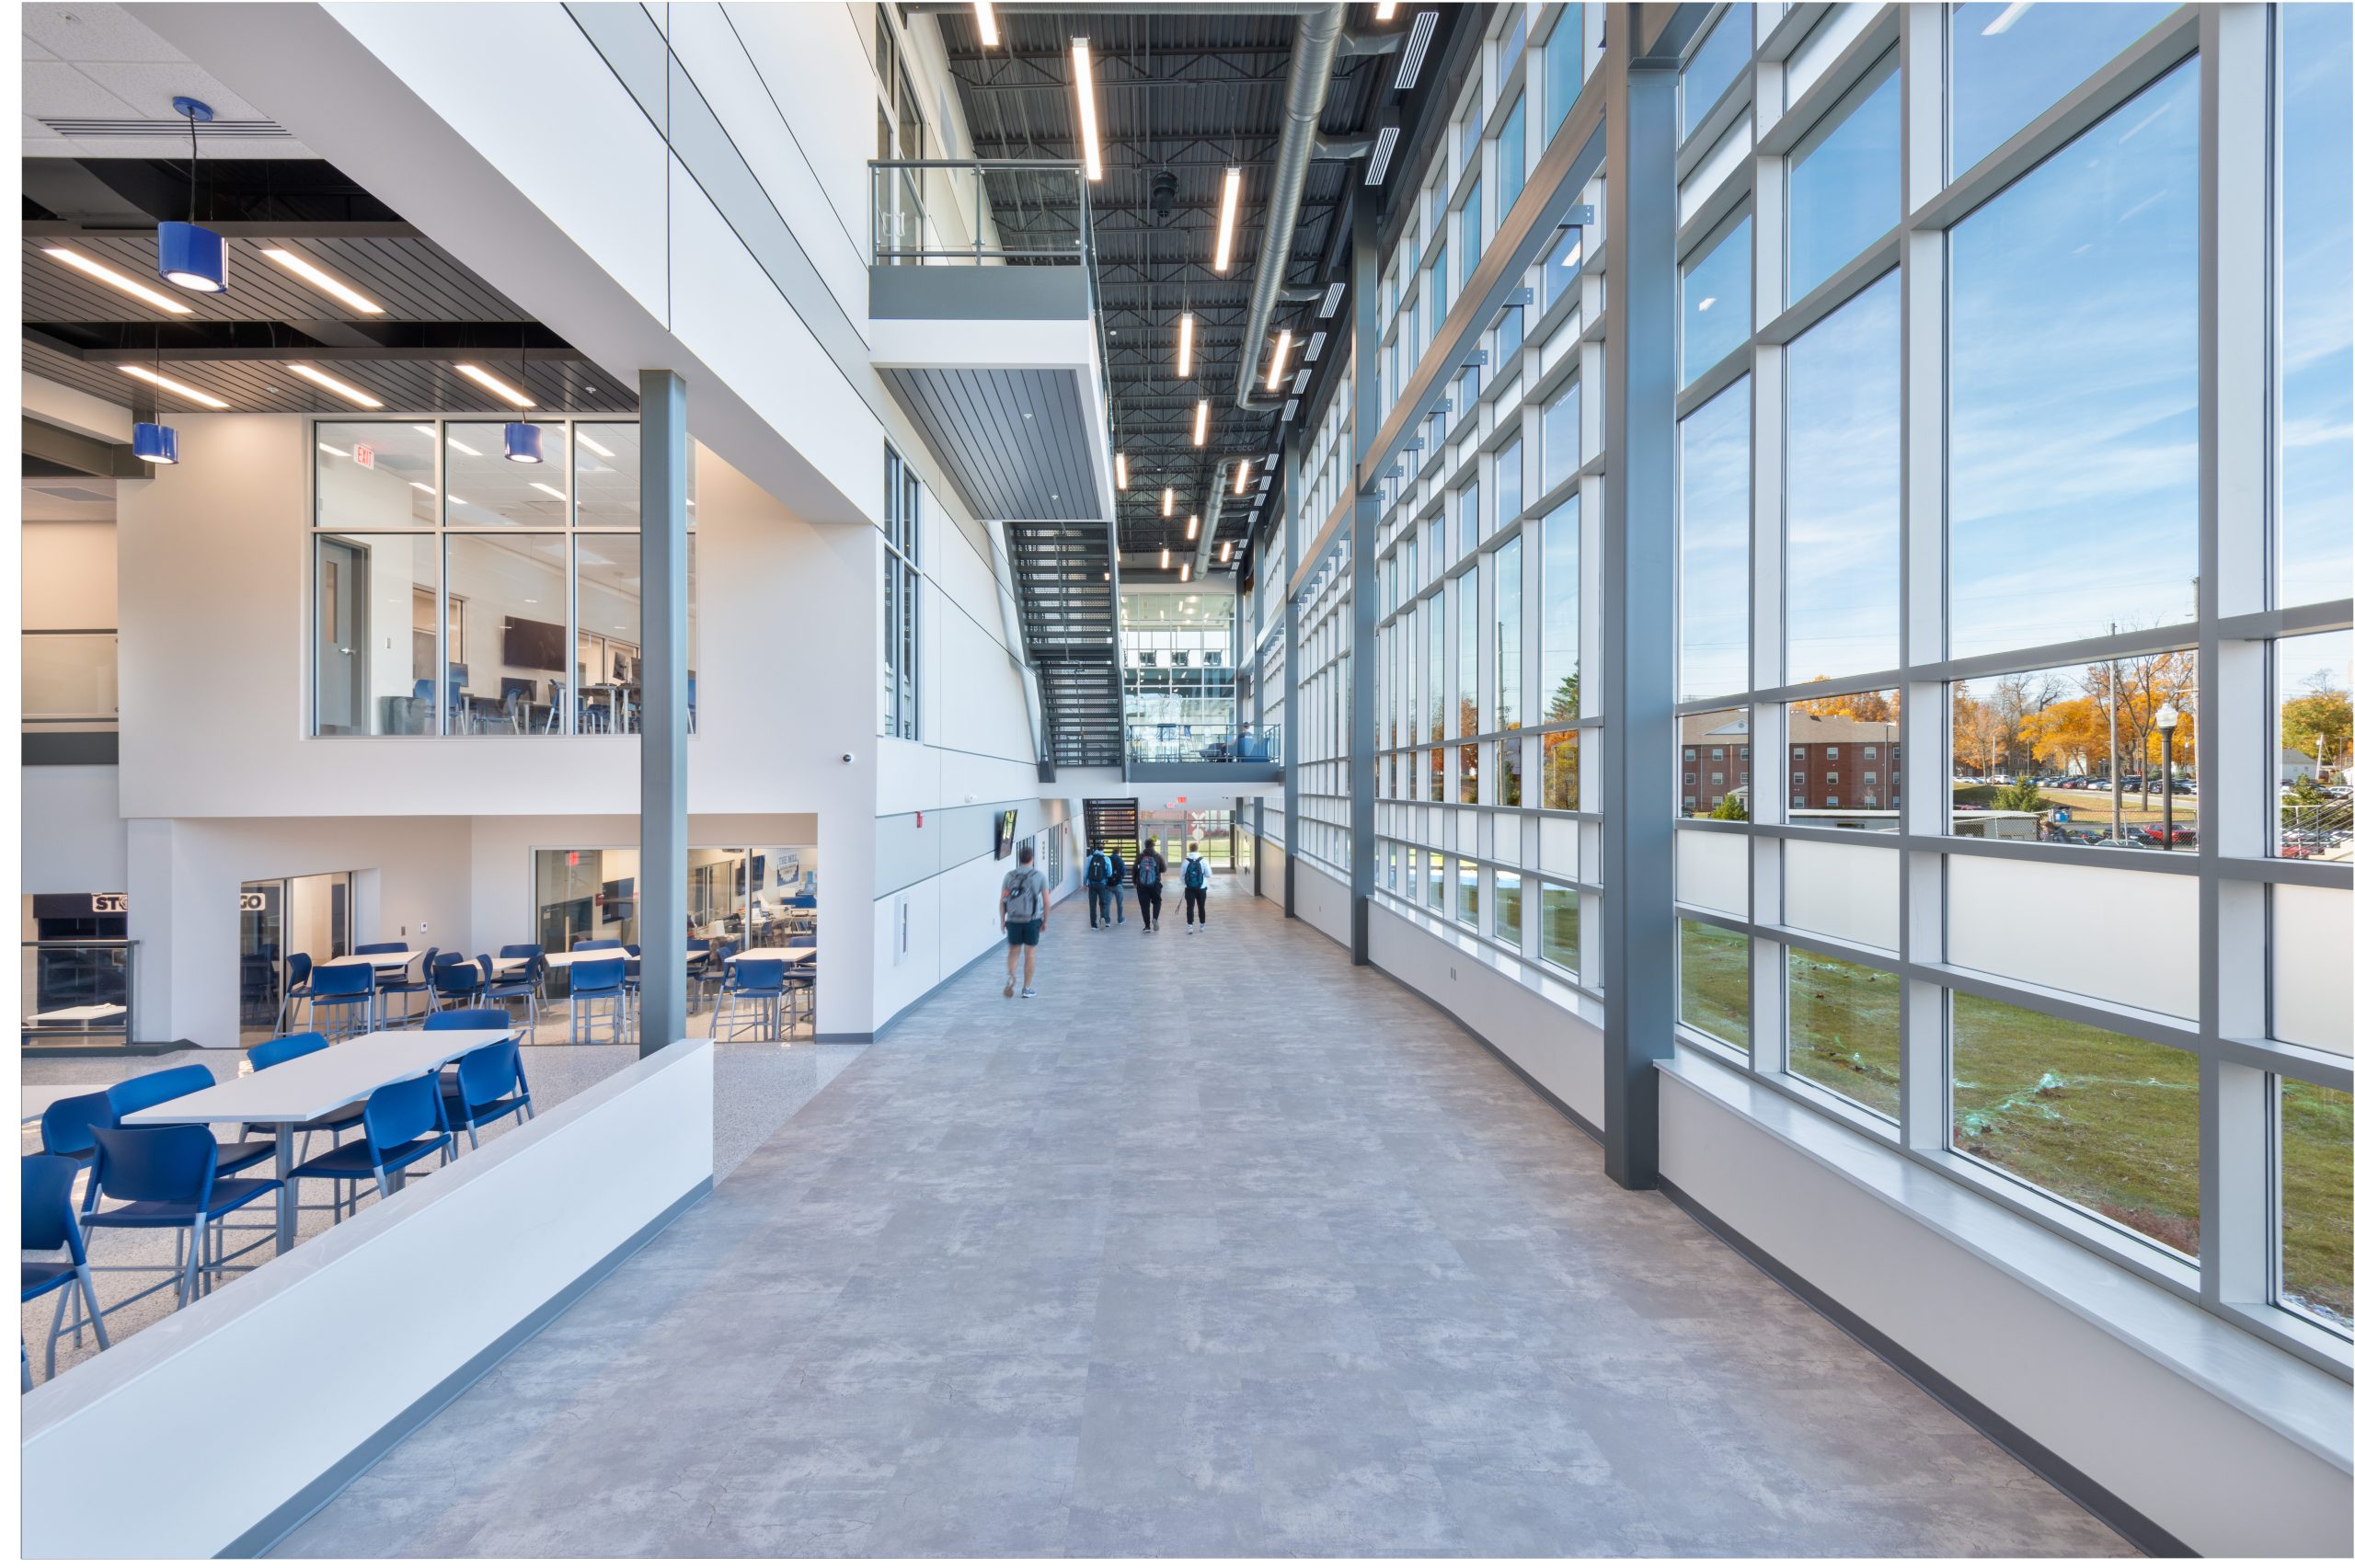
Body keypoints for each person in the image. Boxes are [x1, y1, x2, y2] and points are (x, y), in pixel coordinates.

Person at [999, 842, 1050, 998]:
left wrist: (1003, 920)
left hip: (1013, 920)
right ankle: (1026, 989)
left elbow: (1002, 900)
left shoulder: (1009, 876)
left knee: (1013, 951)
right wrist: (1045, 921)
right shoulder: (1039, 876)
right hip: (1032, 920)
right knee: (1030, 954)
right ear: (1032, 859)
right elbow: (1047, 902)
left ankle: (1011, 975)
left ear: (1019, 859)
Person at [1132, 837, 1166, 932]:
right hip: (1155, 883)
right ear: (1153, 846)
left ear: (1145, 845)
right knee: (1157, 901)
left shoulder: (1140, 856)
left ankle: (1147, 926)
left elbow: (1134, 870)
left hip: (1142, 885)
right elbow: (1164, 869)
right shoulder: (1158, 856)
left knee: (1144, 905)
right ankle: (1155, 918)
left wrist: (1135, 882)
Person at [1180, 840, 1211, 933]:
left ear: (1189, 849)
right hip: (1201, 888)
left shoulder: (1186, 862)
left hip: (1189, 889)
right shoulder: (1203, 861)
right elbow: (1209, 875)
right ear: (1197, 849)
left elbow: (1181, 877)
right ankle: (1202, 925)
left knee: (1190, 906)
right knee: (1201, 906)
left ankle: (1190, 927)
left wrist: (1188, 883)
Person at [1084, 840, 1113, 928]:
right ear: (1103, 849)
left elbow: (1086, 871)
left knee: (1092, 905)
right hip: (1102, 884)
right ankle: (1103, 918)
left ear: (1096, 848)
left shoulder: (1090, 858)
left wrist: (1085, 883)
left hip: (1092, 884)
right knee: (1103, 903)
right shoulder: (1106, 858)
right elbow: (1110, 873)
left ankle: (1093, 924)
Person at [1106, 844, 1128, 925]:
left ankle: (1107, 921)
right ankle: (1120, 919)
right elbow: (1124, 873)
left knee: (1107, 904)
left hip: (1108, 885)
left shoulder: (1107, 859)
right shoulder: (1120, 860)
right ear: (1119, 852)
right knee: (1120, 903)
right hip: (1118, 884)